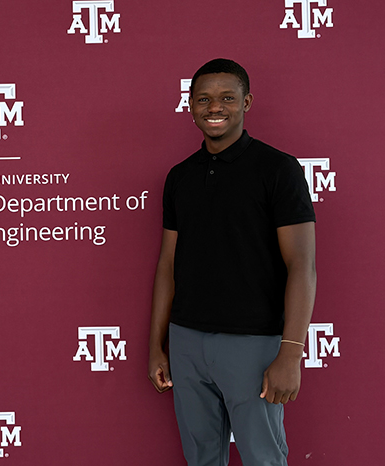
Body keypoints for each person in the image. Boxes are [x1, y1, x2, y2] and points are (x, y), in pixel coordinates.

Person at [147, 59, 316, 466]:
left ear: (247, 102)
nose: (214, 107)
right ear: (189, 106)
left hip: (253, 343)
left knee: (263, 457)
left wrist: (291, 354)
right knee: (201, 457)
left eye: (226, 98)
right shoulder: (179, 177)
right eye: (203, 98)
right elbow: (168, 264)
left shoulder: (278, 169)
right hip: (187, 341)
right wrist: (156, 345)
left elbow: (302, 267)